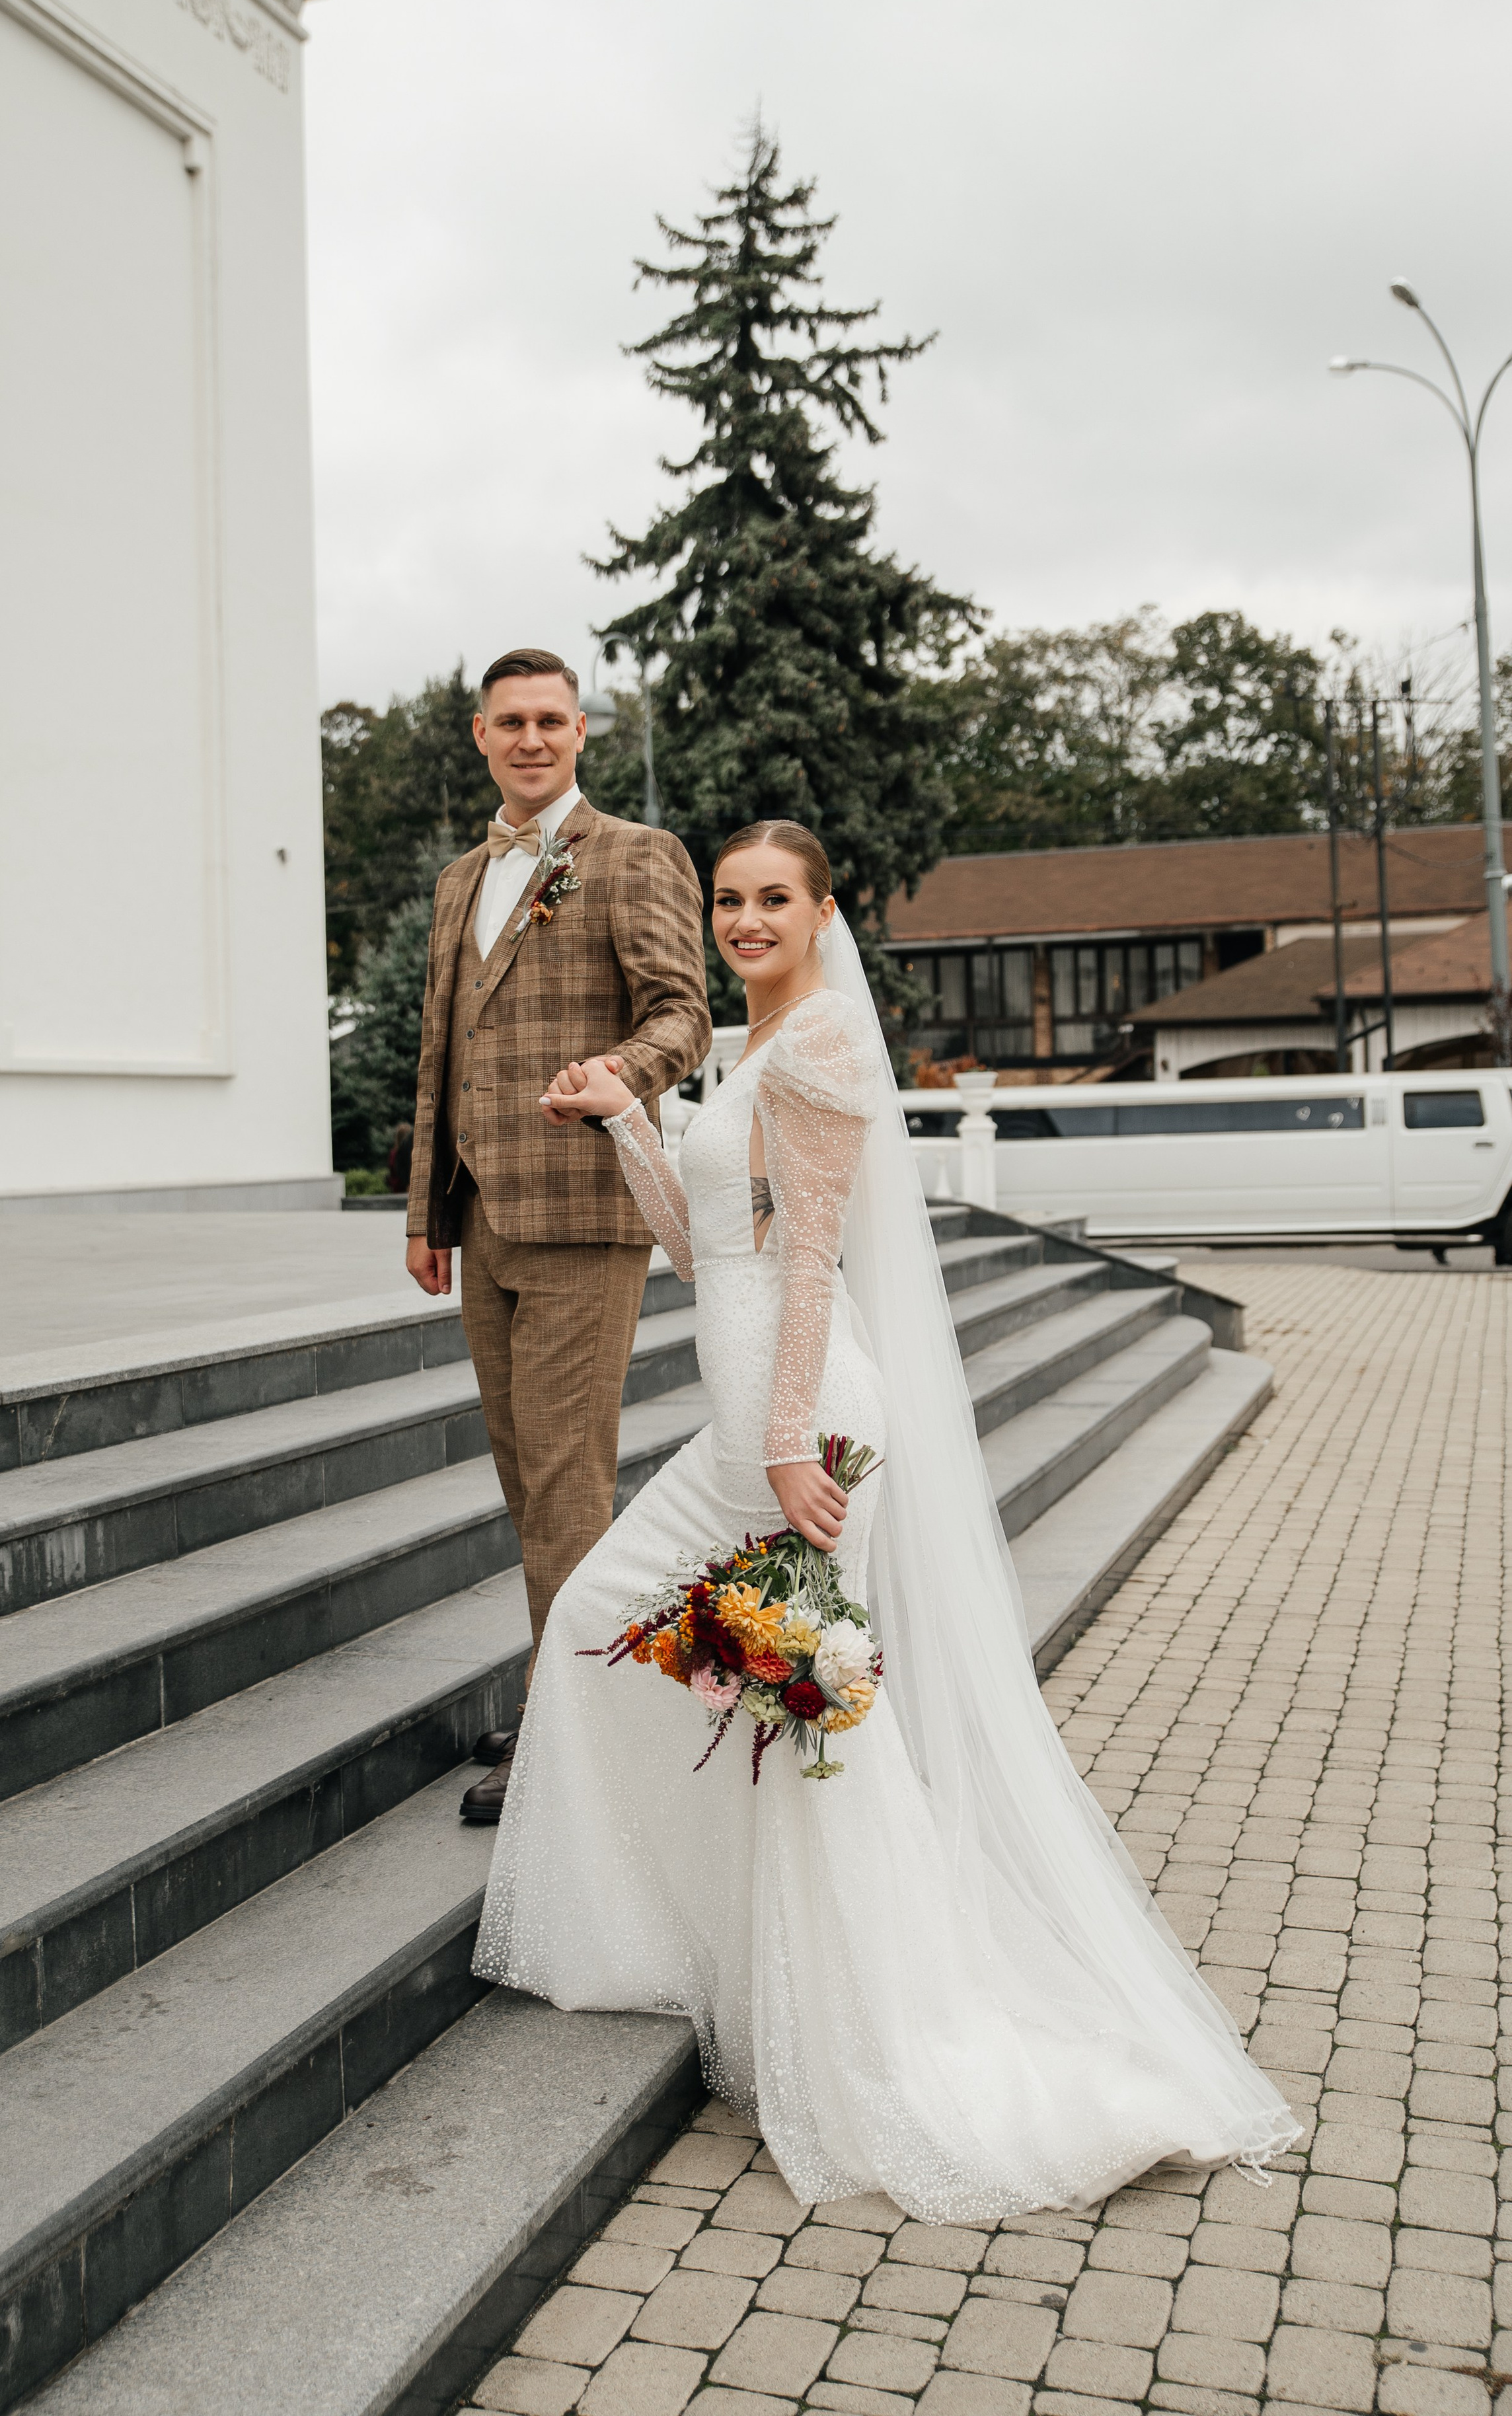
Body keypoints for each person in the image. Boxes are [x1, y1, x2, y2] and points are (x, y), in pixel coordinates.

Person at [473, 819, 1298, 2218]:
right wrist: (623, 1119)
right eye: (727, 900)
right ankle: (703, 1937)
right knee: (625, 1631)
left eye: (770, 900)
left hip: (796, 1429)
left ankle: (865, 2026)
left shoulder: (824, 1047)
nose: (744, 920)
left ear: (821, 913)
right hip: (748, 1422)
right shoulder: (756, 1046)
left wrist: (792, 1443)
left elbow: (809, 1262)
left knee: (810, 1723)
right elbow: (701, 1248)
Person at [404, 647, 711, 1822]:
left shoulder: (634, 854)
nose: (531, 738)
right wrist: (429, 1212)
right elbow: (439, 1055)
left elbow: (682, 1013)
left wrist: (618, 1075)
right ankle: (571, 1683)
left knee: (567, 1474)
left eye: (551, 720)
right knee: (524, 1474)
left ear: (581, 731)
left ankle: (567, 1737)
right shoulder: (459, 880)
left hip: (583, 1209)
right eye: (510, 722)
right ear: (480, 736)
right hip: (483, 1217)